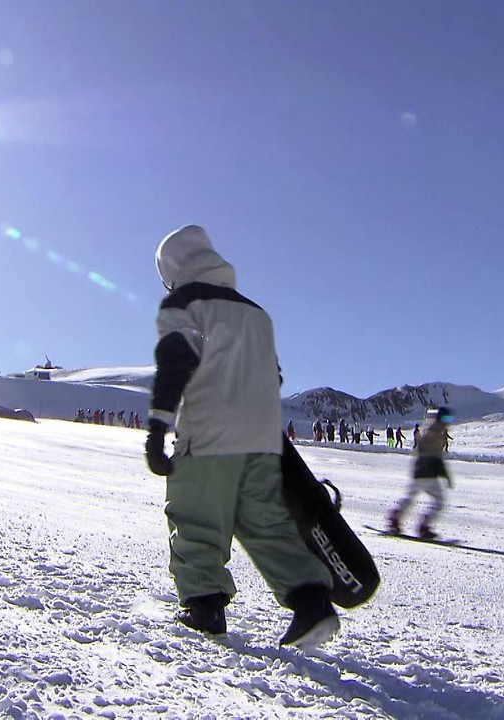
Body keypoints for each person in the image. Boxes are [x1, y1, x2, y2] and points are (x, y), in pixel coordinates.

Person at [143, 225, 338, 649]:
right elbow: (276, 375)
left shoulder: (183, 303)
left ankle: (204, 607)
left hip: (209, 435)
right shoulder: (256, 312)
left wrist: (158, 427)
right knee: (264, 522)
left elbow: (177, 362)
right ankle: (312, 602)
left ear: (173, 268)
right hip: (263, 437)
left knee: (197, 517)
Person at [387, 406, 456, 540]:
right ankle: (423, 527)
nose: (448, 422)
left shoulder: (430, 429)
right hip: (428, 473)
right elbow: (435, 457)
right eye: (447, 418)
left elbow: (420, 451)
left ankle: (394, 519)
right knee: (439, 501)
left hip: (419, 472)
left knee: (409, 497)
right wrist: (445, 475)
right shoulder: (435, 433)